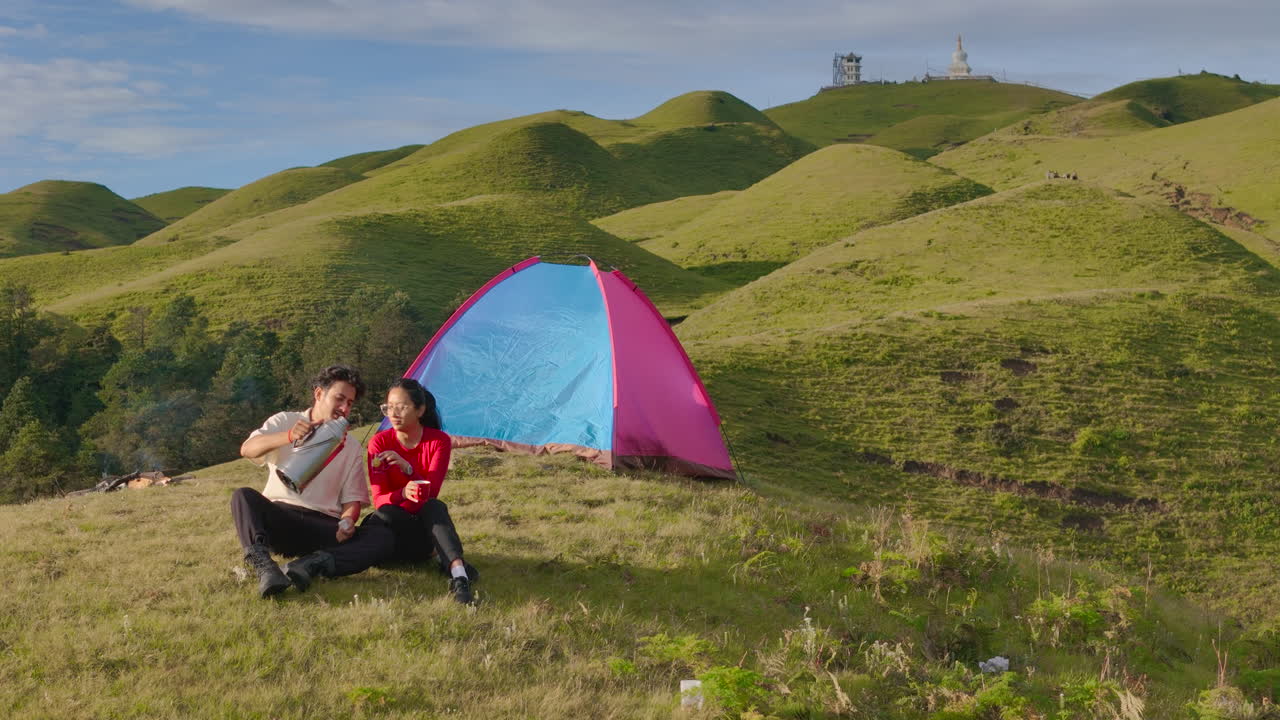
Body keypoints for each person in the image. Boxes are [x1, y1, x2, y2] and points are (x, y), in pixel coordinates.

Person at [284, 378, 478, 605]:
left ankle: (459, 577)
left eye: (401, 407)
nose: (393, 413)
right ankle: (311, 566)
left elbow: (428, 494)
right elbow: (380, 500)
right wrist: (402, 494)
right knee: (385, 516)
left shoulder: (438, 442)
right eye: (389, 407)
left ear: (420, 410)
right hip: (389, 534)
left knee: (434, 507)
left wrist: (407, 468)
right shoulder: (379, 442)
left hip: (419, 537)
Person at [230, 364, 372, 598]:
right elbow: (248, 449)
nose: (344, 408)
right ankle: (264, 567)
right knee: (242, 496)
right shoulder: (287, 421)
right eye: (339, 399)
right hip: (281, 517)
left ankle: (309, 565)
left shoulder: (351, 445)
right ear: (318, 394)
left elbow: (352, 500)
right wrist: (288, 436)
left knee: (378, 532)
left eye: (350, 403)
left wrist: (347, 522)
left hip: (322, 526)